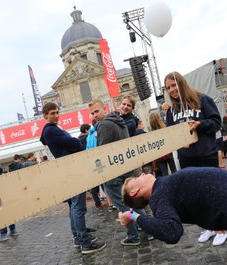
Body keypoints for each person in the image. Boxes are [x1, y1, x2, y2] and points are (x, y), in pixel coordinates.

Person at [164, 72, 227, 246]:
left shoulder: (203, 99)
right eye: (168, 87)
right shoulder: (171, 110)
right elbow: (171, 132)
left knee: (213, 192)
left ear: (181, 83)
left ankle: (222, 228)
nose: (171, 90)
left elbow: (216, 122)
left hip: (206, 154)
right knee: (196, 196)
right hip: (186, 158)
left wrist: (201, 125)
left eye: (173, 85)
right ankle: (208, 227)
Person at [40, 102, 106, 254]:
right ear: (45, 115)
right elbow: (74, 142)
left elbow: (73, 143)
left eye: (57, 112)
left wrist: (74, 143)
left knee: (73, 206)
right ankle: (85, 242)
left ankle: (78, 235)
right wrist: (75, 143)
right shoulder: (51, 130)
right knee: (78, 206)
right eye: (52, 113)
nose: (56, 115)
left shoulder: (52, 129)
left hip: (67, 170)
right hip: (70, 171)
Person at [89, 99, 149, 246]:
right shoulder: (119, 121)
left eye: (96, 111)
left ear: (105, 108)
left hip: (113, 171)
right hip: (126, 167)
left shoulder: (103, 125)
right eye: (92, 113)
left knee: (122, 206)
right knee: (133, 202)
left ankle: (133, 236)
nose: (94, 115)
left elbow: (103, 151)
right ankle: (148, 229)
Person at [149, 111, 176, 176]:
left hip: (160, 156)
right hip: (168, 153)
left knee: (165, 174)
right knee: (174, 171)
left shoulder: (151, 133)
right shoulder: (164, 128)